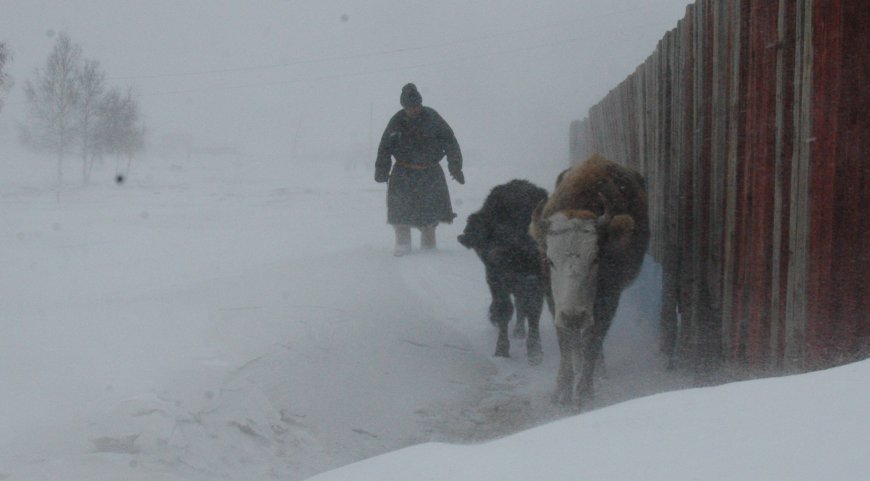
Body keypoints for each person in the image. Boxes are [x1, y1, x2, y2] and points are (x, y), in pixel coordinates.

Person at [375, 83, 464, 256]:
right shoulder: (396, 122)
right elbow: (385, 147)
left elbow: (450, 142)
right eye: (409, 107)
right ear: (404, 106)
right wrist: (381, 170)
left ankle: (429, 245)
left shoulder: (433, 118)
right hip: (403, 172)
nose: (413, 110)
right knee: (400, 209)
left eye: (416, 106)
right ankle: (402, 243)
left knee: (429, 211)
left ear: (420, 104)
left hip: (429, 172)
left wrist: (455, 167)